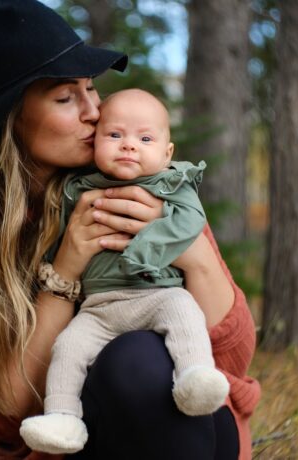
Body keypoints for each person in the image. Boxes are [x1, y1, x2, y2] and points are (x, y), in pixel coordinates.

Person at [0, 1, 260, 459]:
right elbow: (3, 413)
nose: (95, 112)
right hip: (68, 444)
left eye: (91, 89)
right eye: (65, 97)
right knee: (129, 362)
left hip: (194, 429)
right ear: (10, 119)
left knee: (140, 359)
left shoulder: (143, 177)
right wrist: (65, 272)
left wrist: (189, 247)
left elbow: (232, 361)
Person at [19, 89, 229, 455]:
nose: (129, 146)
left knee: (183, 310)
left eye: (144, 139)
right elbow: (55, 236)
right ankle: (63, 416)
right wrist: (60, 266)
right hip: (99, 307)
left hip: (156, 295)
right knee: (68, 346)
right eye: (115, 136)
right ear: (95, 142)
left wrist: (151, 240)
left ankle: (194, 376)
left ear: (167, 153)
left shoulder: (171, 185)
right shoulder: (78, 187)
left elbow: (191, 222)